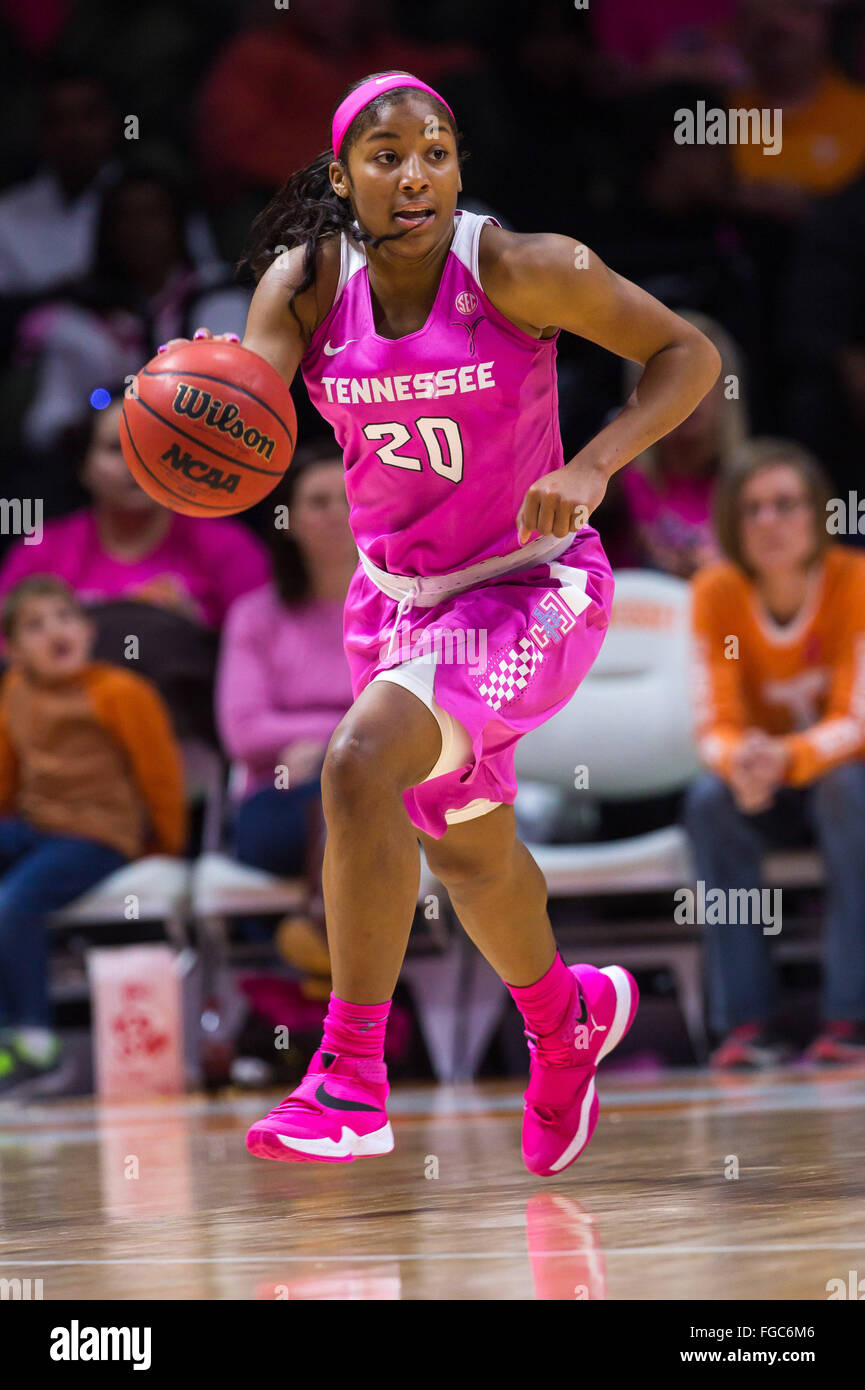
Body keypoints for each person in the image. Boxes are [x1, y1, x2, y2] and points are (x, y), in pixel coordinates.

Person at [159, 70, 720, 1174]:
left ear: (458, 167)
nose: (412, 175)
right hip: (392, 599)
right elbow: (247, 433)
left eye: (434, 152)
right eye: (384, 156)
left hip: (531, 587)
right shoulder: (307, 285)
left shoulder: (522, 268)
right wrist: (189, 419)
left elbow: (685, 355)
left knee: (359, 761)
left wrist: (595, 463)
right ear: (343, 177)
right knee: (464, 855)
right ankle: (566, 1019)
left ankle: (351, 1076)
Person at [685, 438, 865, 1067]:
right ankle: (745, 1025)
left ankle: (850, 1017)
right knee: (708, 801)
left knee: (849, 787)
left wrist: (785, 758)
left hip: (837, 780)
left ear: (819, 513)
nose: (769, 521)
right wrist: (740, 763)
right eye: (752, 508)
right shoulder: (716, 592)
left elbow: (856, 720)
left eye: (786, 504)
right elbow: (713, 722)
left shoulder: (855, 581)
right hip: (765, 784)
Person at [0, 575, 187, 1094]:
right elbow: (6, 777)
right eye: (35, 626)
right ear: (13, 651)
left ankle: (37, 1044)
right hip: (36, 828)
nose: (54, 632)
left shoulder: (120, 692)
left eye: (64, 618)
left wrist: (163, 847)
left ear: (86, 630)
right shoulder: (15, 692)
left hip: (98, 835)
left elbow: (161, 777)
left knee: (15, 903)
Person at [216, 439, 356, 977]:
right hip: (280, 799)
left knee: (349, 775)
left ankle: (321, 939)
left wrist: (326, 743)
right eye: (319, 502)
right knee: (336, 788)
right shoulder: (256, 616)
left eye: (348, 498)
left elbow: (432, 708)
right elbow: (243, 731)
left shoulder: (402, 607)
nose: (338, 514)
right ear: (289, 520)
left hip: (389, 791)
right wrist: (343, 735)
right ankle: (330, 942)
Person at [0, 390, 270, 631]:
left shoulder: (227, 546)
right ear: (83, 467)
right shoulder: (42, 550)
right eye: (116, 448)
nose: (136, 462)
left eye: (149, 446)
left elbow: (265, 650)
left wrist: (192, 630)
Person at [615, 311, 747, 578]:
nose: (690, 395)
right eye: (671, 377)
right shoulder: (613, 477)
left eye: (703, 378)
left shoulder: (755, 486)